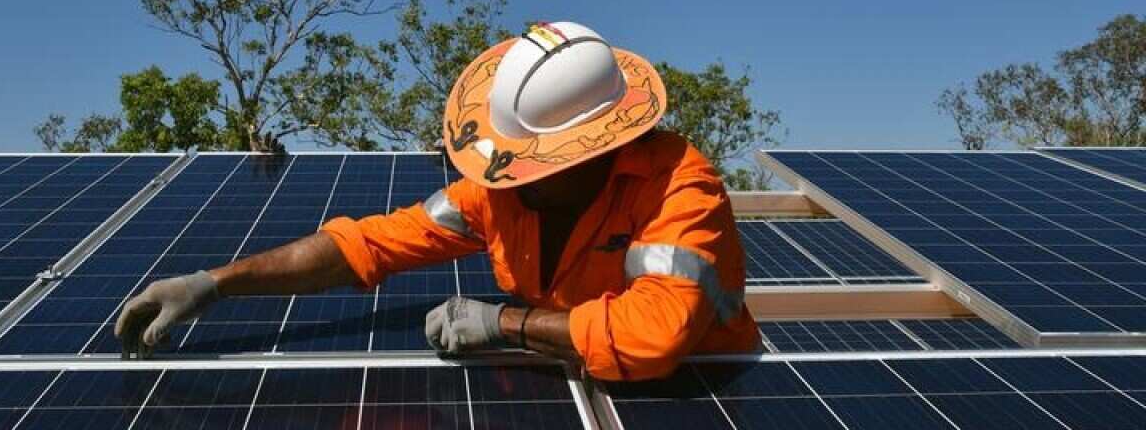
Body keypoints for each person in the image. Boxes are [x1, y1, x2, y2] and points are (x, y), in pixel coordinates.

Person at [115, 22, 758, 381]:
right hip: (566, 377)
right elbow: (367, 244)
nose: (513, 180)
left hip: (701, 388)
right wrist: (214, 283)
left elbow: (656, 338)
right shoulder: (501, 191)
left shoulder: (677, 188)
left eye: (536, 164)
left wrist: (505, 324)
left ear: (594, 151)